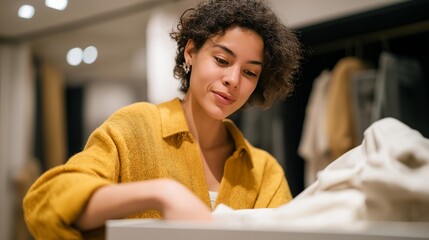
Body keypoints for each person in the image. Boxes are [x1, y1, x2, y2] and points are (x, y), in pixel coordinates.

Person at [23, 0, 302, 239]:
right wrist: (160, 193)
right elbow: (47, 201)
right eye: (221, 60)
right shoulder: (136, 127)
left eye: (250, 73)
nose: (233, 80)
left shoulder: (264, 172)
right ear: (191, 52)